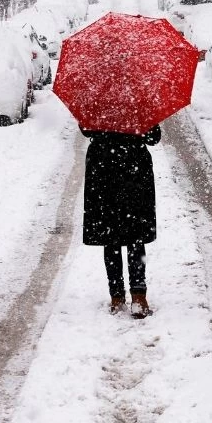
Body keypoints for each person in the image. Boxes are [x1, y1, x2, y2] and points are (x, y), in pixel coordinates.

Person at [81, 124, 161, 318]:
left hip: (103, 169)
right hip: (134, 170)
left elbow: (86, 129)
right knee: (135, 235)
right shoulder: (140, 102)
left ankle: (117, 297)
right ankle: (138, 296)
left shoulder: (98, 99)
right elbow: (153, 137)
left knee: (111, 237)